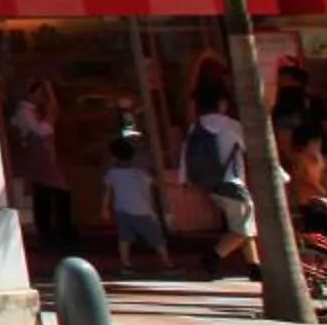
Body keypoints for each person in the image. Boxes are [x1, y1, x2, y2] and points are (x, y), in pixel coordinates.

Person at [184, 92, 258, 282]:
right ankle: (213, 257)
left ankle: (254, 267)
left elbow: (187, 154)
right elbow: (254, 149)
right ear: (221, 104)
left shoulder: (196, 126)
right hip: (233, 182)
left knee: (242, 224)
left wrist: (185, 180)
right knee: (242, 229)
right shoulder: (232, 125)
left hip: (210, 184)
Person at [12, 80, 74, 251]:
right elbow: (42, 130)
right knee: (51, 194)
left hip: (42, 158)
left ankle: (54, 234)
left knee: (47, 195)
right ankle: (52, 235)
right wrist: (50, 116)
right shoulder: (25, 112)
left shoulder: (34, 111)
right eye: (39, 94)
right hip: (38, 158)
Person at [101, 136, 172, 274]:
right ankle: (167, 263)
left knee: (124, 238)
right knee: (157, 239)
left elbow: (107, 191)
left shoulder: (112, 173)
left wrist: (104, 209)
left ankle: (126, 264)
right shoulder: (141, 172)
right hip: (144, 211)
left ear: (114, 157)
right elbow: (155, 180)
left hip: (122, 210)